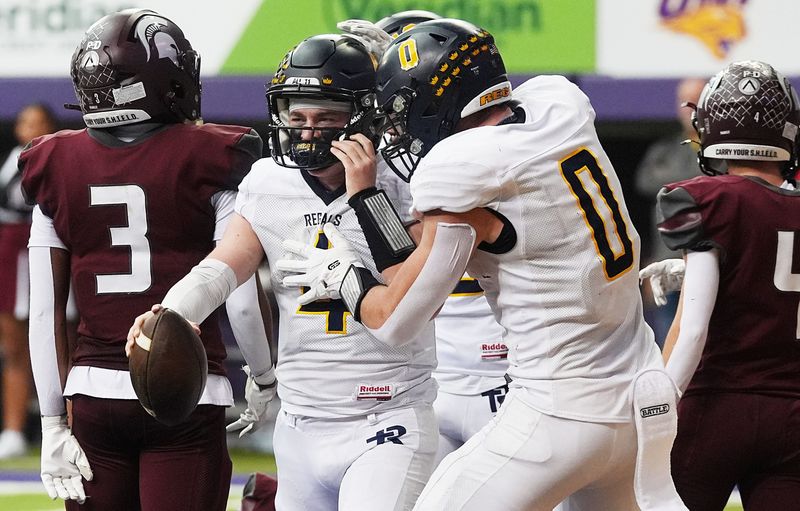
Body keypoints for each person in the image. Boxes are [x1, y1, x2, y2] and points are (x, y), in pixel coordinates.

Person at [281, 19, 686, 510]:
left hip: (559, 410)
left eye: (406, 108)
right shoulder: (558, 104)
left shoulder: (464, 167)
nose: (400, 127)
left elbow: (395, 318)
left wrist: (345, 276)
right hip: (638, 402)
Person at [129, 33, 439, 511]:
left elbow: (413, 292)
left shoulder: (407, 178)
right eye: (297, 116)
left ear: (365, 116)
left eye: (326, 117)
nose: (308, 130)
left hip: (388, 412)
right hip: (300, 424)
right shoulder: (267, 181)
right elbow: (223, 268)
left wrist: (366, 194)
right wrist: (168, 313)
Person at [20, 9, 272, 509]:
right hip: (187, 391)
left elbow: (46, 312)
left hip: (93, 395)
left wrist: (52, 423)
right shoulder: (212, 155)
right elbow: (242, 301)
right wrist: (264, 379)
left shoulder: (53, 162)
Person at [657, 60, 800, 511]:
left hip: (716, 407)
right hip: (793, 414)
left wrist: (657, 409)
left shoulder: (710, 200)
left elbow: (692, 330)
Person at [0, 103, 57, 459]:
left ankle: (68, 423)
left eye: (37, 122)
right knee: (15, 348)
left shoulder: (55, 156)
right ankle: (13, 429)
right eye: (24, 121)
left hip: (41, 247)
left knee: (60, 340)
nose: (29, 128)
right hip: (11, 253)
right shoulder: (11, 157)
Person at [635, 78, 706, 345]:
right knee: (667, 341)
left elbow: (714, 182)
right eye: (684, 102)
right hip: (667, 259)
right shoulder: (665, 148)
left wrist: (675, 181)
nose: (690, 108)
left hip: (708, 258)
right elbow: (644, 181)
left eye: (696, 100)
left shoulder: (718, 151)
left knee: (706, 341)